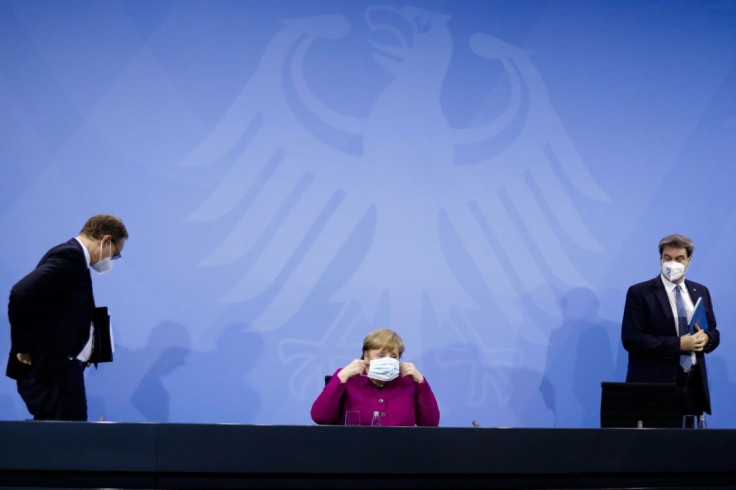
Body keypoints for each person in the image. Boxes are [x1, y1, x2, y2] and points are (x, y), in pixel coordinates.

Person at [6, 214, 128, 421]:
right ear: (106, 240)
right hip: (52, 372)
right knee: (64, 441)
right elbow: (21, 293)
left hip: (62, 370)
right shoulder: (70, 257)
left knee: (67, 438)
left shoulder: (75, 259)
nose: (110, 261)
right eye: (114, 254)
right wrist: (23, 347)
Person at [621, 233, 719, 419]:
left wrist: (707, 339)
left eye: (679, 259)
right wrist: (679, 344)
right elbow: (631, 339)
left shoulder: (701, 291)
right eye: (668, 258)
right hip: (655, 387)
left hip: (693, 385)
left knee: (691, 447)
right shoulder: (640, 292)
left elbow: (714, 331)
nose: (672, 263)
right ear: (660, 259)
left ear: (689, 261)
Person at [311, 328, 440, 426]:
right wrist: (341, 376)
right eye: (381, 355)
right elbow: (320, 417)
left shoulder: (407, 382)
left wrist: (421, 382)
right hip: (355, 451)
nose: (388, 360)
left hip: (401, 452)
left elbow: (431, 423)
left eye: (393, 356)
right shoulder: (348, 377)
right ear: (366, 357)